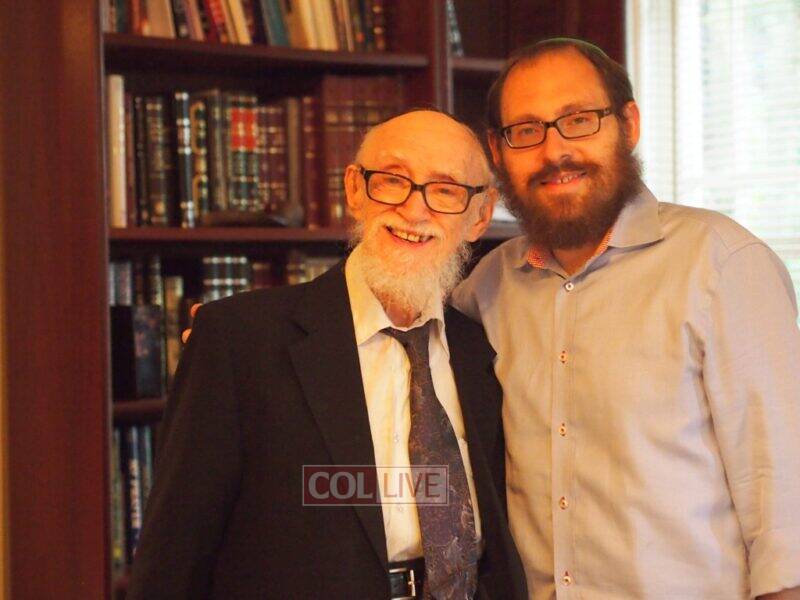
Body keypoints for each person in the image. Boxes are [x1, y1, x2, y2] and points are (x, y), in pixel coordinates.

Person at [127, 109, 528, 599]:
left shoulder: (481, 347)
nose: (415, 210)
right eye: (393, 180)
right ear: (355, 190)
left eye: (445, 190)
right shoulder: (239, 339)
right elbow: (175, 552)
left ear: (479, 217)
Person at [452, 38, 800, 599]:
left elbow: (782, 490)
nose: (554, 151)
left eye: (578, 120)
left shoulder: (721, 263)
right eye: (526, 131)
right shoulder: (486, 289)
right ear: (498, 151)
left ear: (628, 124)